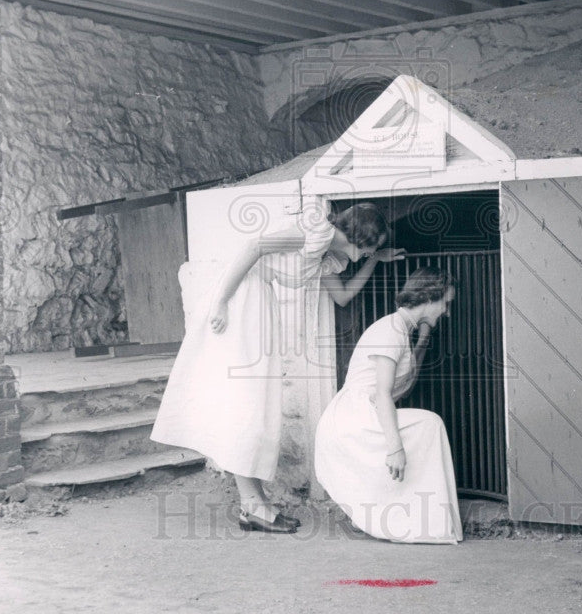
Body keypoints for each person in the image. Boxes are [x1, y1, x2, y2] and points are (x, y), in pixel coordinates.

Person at [150, 202, 404, 534]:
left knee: (254, 404)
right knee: (247, 401)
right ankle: (253, 506)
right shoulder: (316, 232)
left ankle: (254, 504)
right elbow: (255, 246)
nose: (377, 249)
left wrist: (373, 260)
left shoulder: (328, 255)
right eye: (375, 244)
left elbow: (343, 296)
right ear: (364, 235)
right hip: (242, 300)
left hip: (259, 304)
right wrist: (222, 302)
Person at [315, 267, 463, 544]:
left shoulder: (399, 328)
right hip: (353, 417)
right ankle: (420, 520)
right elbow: (383, 394)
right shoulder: (390, 330)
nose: (447, 312)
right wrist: (395, 448)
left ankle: (422, 517)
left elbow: (406, 376)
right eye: (446, 303)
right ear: (430, 297)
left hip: (363, 411)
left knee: (428, 425)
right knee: (430, 424)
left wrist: (423, 336)